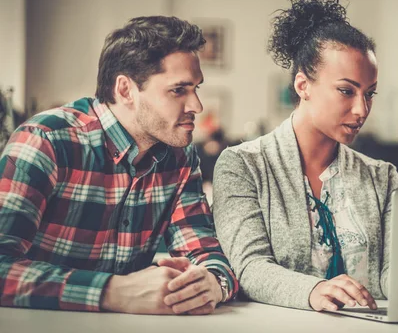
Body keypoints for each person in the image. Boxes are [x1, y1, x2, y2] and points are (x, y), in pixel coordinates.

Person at [0, 16, 238, 314]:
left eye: (196, 89)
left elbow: (204, 251)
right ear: (125, 90)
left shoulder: (180, 155)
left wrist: (212, 283)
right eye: (179, 90)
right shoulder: (46, 141)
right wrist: (113, 291)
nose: (197, 107)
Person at [212, 0, 398, 311]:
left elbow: (394, 277)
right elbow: (248, 267)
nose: (361, 109)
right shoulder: (242, 165)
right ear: (303, 86)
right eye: (346, 91)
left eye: (370, 94)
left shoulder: (382, 177)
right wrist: (314, 290)